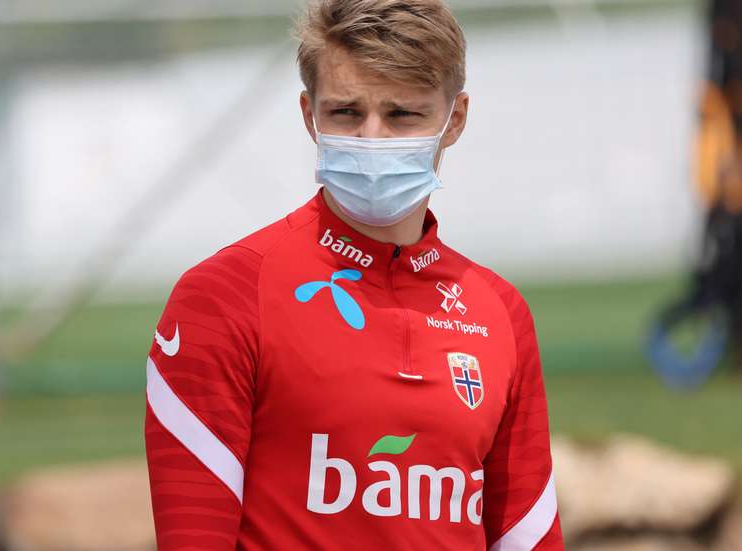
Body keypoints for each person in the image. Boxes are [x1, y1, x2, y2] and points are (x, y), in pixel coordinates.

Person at [143, 0, 563, 548]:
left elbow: (530, 536)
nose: (372, 139)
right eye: (345, 112)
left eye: (402, 114)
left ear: (454, 119)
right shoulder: (223, 297)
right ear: (308, 114)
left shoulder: (500, 312)